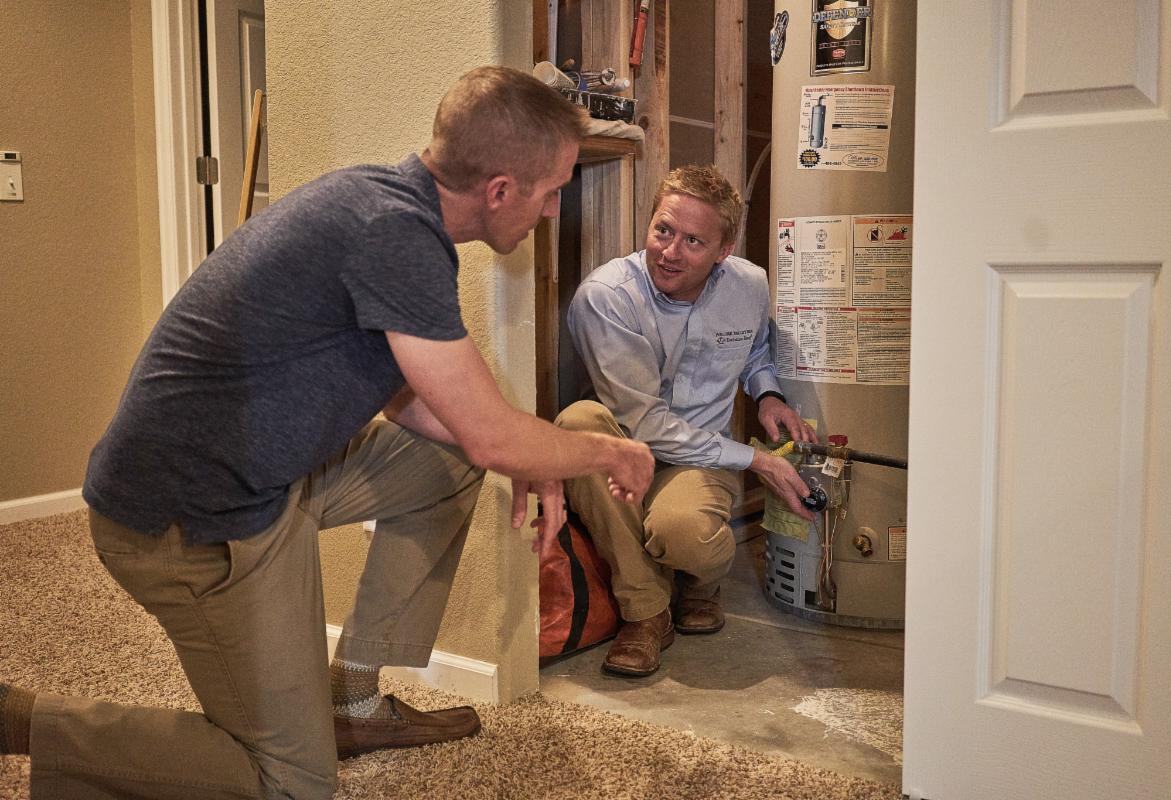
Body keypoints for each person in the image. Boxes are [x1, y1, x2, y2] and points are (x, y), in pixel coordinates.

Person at [0, 65, 654, 799]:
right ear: (501, 189)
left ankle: (354, 701)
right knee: (291, 783)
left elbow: (419, 407)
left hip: (266, 479)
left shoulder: (385, 206)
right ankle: (24, 721)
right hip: (184, 525)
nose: (551, 210)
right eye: (553, 189)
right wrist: (608, 450)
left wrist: (526, 454)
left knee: (449, 466)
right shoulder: (394, 235)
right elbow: (492, 435)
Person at [555, 164, 817, 678]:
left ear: (724, 249)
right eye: (663, 230)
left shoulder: (749, 285)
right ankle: (648, 613)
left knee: (686, 534)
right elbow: (645, 422)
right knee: (576, 422)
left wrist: (767, 394)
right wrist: (757, 461)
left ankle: (699, 583)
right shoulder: (607, 297)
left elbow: (755, 350)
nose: (670, 251)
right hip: (626, 449)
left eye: (693, 241)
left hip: (701, 454)